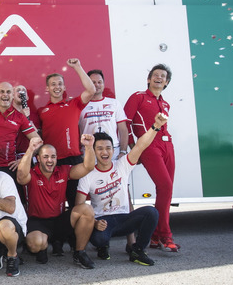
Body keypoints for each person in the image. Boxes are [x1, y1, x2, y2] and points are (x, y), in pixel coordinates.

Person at [72, 113, 168, 266]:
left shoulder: (122, 164)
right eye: (100, 148)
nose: (105, 152)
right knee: (99, 239)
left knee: (152, 212)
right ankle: (103, 246)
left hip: (124, 218)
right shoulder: (87, 174)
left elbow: (140, 145)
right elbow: (79, 207)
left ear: (113, 150)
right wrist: (94, 223)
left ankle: (138, 250)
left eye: (108, 148)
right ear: (94, 151)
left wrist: (155, 127)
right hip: (103, 220)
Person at [17, 135, 97, 268]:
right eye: (46, 156)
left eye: (53, 157)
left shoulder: (64, 171)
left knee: (87, 210)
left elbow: (88, 167)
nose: (50, 160)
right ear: (38, 159)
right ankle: (42, 248)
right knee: (36, 244)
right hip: (37, 222)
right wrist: (31, 149)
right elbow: (20, 177)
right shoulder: (31, 173)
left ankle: (80, 253)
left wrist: (88, 147)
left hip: (59, 221)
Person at [123, 64, 178, 252]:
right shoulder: (138, 97)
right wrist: (133, 146)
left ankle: (154, 237)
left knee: (166, 189)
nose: (159, 78)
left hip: (167, 145)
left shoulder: (165, 104)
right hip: (148, 145)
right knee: (165, 185)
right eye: (155, 75)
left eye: (163, 76)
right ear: (149, 79)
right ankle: (165, 235)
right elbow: (125, 122)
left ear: (167, 82)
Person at [37, 58, 96, 209]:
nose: (57, 87)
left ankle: (75, 233)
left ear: (64, 87)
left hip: (73, 160)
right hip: (51, 162)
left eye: (60, 84)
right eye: (53, 84)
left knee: (76, 203)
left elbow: (91, 90)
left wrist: (77, 66)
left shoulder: (73, 104)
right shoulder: (42, 111)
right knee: (53, 205)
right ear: (47, 88)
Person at [79, 70, 129, 160]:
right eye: (93, 82)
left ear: (103, 84)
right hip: (89, 151)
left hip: (113, 150)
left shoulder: (114, 103)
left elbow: (123, 130)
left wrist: (123, 151)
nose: (97, 85)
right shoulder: (79, 106)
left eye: (99, 82)